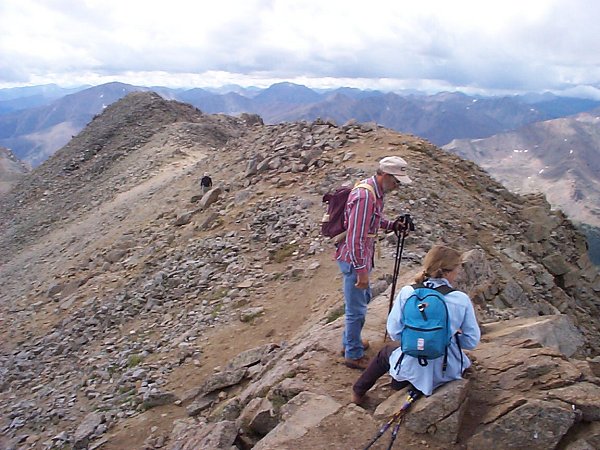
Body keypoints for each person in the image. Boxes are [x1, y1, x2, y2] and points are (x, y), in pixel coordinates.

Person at [351, 245, 481, 403]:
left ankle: (358, 392)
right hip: (445, 370)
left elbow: (394, 331)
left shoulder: (408, 292)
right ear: (447, 272)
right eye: (457, 269)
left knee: (386, 352)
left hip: (410, 368)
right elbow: (471, 342)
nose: (458, 272)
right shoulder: (460, 299)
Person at [337, 156, 413, 370]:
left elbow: (370, 220)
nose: (397, 186)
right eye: (396, 181)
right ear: (386, 175)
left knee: (360, 302)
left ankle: (349, 342)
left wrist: (391, 225)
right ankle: (353, 354)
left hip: (359, 257)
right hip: (355, 260)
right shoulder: (366, 196)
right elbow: (355, 237)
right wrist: (361, 272)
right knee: (357, 309)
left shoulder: (373, 192)